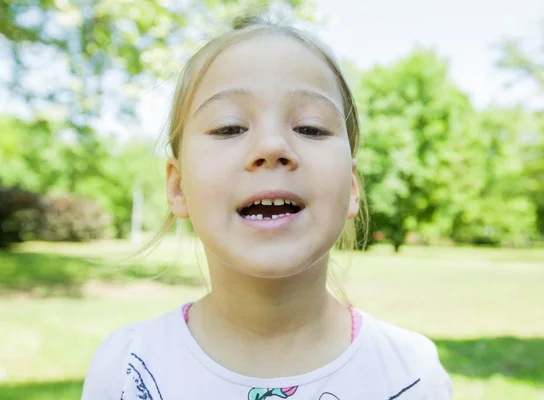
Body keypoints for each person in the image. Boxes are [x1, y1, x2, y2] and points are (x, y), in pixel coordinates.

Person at [81, 15, 452, 400]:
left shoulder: (411, 376)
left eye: (310, 128)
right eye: (229, 127)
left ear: (352, 189)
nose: (272, 146)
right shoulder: (126, 368)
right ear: (178, 187)